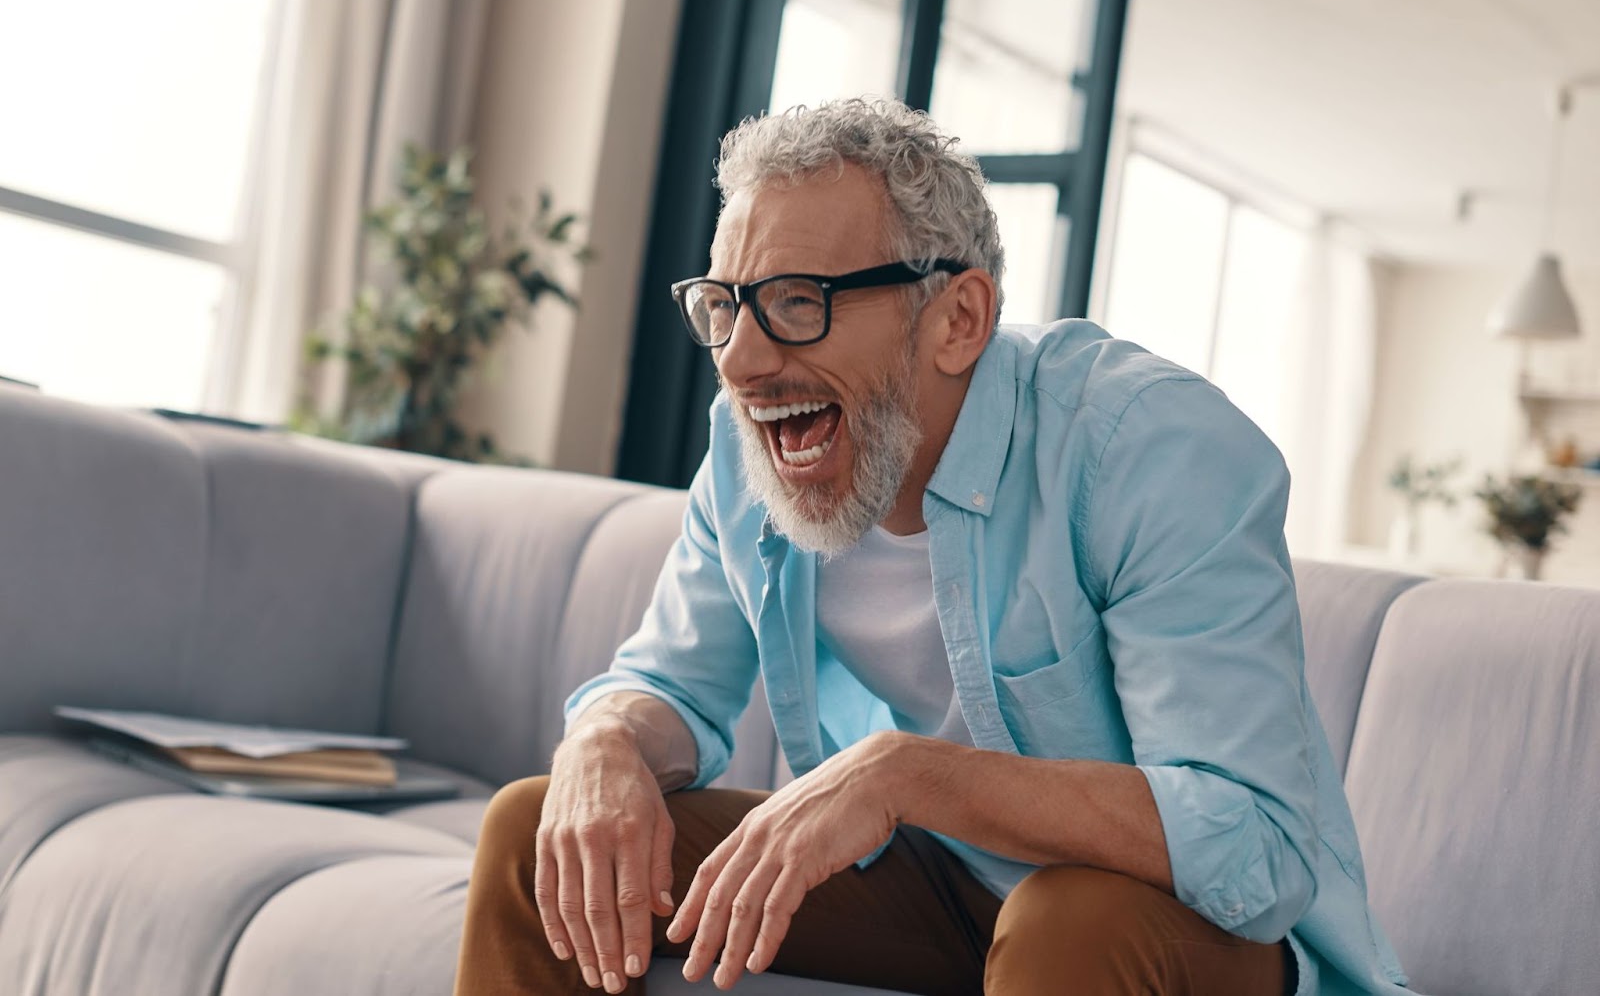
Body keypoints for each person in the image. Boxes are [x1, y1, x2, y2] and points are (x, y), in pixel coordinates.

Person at [452, 98, 1410, 996]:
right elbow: (668, 681)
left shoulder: (1149, 450)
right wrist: (607, 738)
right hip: (942, 890)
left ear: (958, 319)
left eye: (796, 301)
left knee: (1065, 919)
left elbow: (1253, 842)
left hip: (1183, 930)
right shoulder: (752, 448)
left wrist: (904, 774)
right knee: (536, 828)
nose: (742, 359)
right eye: (725, 306)